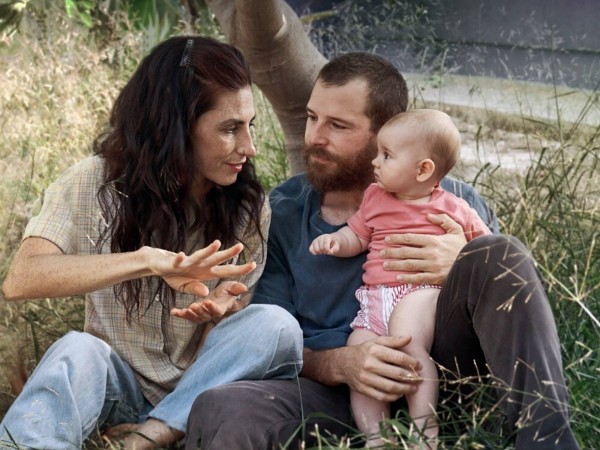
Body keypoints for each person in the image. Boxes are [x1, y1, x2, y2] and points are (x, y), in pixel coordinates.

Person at [185, 51, 580, 450]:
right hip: (335, 399)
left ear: (385, 132)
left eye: (338, 125)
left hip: (445, 385)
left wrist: (463, 260)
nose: (315, 137)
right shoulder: (281, 212)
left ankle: (547, 443)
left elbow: (518, 315)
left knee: (500, 253)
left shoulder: (454, 202)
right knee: (223, 407)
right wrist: (339, 365)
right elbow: (268, 340)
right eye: (312, 117)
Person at [0, 36, 303, 450]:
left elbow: (224, 353)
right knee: (77, 350)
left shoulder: (249, 207)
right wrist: (145, 260)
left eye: (250, 125)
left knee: (276, 326)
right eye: (230, 128)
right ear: (176, 127)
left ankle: (149, 437)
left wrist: (222, 315)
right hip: (116, 388)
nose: (248, 148)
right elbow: (21, 280)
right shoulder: (92, 183)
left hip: (197, 394)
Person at [309, 108, 491, 447]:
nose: (375, 162)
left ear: (423, 170)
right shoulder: (374, 197)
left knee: (407, 342)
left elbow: (487, 253)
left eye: (386, 155)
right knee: (361, 351)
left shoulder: (454, 207)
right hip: (375, 299)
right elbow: (357, 235)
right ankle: (377, 437)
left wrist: (461, 252)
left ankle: (426, 431)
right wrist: (336, 241)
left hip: (419, 292)